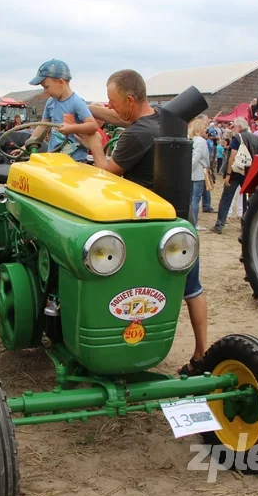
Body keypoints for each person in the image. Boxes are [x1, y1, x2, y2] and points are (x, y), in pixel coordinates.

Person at [83, 69, 210, 374]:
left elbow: (105, 172)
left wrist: (94, 144)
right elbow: (123, 117)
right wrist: (87, 108)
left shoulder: (135, 135)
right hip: (181, 224)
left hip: (148, 227)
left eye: (113, 101)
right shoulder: (162, 121)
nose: (110, 108)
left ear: (130, 99)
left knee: (132, 291)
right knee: (192, 289)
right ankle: (202, 354)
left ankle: (128, 347)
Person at [20, 59, 97, 162]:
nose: (45, 91)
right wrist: (26, 146)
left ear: (60, 82)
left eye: (47, 87)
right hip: (54, 158)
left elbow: (92, 126)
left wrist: (71, 128)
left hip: (75, 161)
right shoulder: (50, 102)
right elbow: (43, 125)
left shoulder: (77, 102)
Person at [212, 117, 258, 234]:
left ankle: (219, 224)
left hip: (235, 172)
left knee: (226, 198)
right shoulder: (255, 138)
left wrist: (228, 173)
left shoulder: (237, 138)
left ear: (238, 126)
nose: (232, 128)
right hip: (248, 172)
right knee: (247, 200)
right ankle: (246, 226)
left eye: (233, 126)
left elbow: (232, 157)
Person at [188, 117, 211, 228]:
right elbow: (196, 158)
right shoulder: (201, 141)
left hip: (192, 173)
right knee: (195, 199)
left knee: (192, 199)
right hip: (197, 173)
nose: (206, 131)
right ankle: (194, 223)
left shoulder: (191, 139)